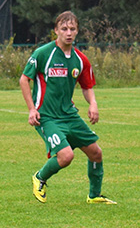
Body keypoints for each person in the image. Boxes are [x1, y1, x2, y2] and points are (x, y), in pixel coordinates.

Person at [20, 11, 116, 205]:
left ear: (77, 31)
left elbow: (87, 86)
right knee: (66, 156)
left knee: (96, 153)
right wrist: (32, 109)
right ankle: (39, 177)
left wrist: (93, 103)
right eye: (64, 29)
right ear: (56, 31)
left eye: (72, 29)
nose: (69, 33)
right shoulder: (43, 54)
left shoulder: (80, 59)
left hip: (70, 116)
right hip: (47, 117)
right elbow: (24, 79)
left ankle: (94, 195)